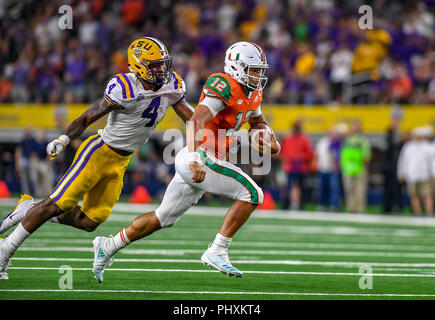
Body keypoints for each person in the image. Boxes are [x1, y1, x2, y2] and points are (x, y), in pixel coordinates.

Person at [0, 37, 194, 280]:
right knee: (55, 205)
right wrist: (63, 139)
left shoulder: (172, 84)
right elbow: (87, 117)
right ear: (139, 65)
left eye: (163, 64)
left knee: (89, 221)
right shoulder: (125, 87)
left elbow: (192, 118)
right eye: (155, 65)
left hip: (122, 161)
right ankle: (5, 250)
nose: (162, 70)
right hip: (99, 152)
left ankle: (28, 208)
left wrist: (213, 128)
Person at [91, 41, 281, 282]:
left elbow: (257, 122)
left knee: (163, 218)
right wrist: (194, 158)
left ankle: (108, 246)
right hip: (200, 156)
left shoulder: (254, 92)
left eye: (260, 70)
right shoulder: (224, 85)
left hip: (206, 159)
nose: (258, 75)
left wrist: (270, 141)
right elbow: (196, 121)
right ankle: (218, 249)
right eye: (253, 69)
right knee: (253, 194)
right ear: (236, 67)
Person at [397, 126, 433, 216]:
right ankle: (417, 213)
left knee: (427, 195)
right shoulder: (408, 146)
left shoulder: (427, 147)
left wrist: (433, 173)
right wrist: (401, 173)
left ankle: (429, 213)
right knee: (414, 196)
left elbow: (432, 162)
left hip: (424, 175)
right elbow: (403, 160)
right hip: (412, 175)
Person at [279, 120, 314, 210]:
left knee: (298, 187)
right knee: (289, 187)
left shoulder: (304, 139)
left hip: (300, 167)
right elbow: (282, 152)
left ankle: (297, 204)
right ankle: (289, 204)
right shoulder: (287, 138)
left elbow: (309, 153)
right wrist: (285, 158)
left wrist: (301, 157)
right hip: (289, 167)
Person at [340, 120, 371, 213]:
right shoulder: (347, 140)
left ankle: (359, 208)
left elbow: (366, 155)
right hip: (348, 169)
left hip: (359, 168)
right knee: (349, 189)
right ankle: (351, 207)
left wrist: (362, 165)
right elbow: (343, 154)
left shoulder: (362, 141)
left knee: (360, 189)